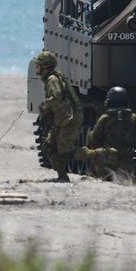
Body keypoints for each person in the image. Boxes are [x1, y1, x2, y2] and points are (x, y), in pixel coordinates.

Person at [35, 50, 84, 182]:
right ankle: (62, 176)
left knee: (65, 151)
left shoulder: (52, 79)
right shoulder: (52, 78)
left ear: (44, 66)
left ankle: (97, 155)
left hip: (69, 118)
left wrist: (45, 106)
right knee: (48, 146)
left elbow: (56, 97)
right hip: (62, 118)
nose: (36, 68)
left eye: (38, 65)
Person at [86, 87, 136, 179]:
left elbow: (94, 139)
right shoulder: (134, 118)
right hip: (128, 161)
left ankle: (97, 172)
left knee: (90, 135)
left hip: (108, 161)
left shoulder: (105, 118)